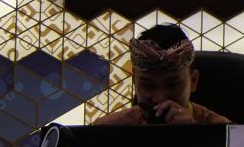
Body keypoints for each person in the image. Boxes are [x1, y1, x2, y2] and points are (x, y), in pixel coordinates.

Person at [95, 23, 231, 125]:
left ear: (193, 81)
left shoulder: (223, 132)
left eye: (172, 85)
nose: (159, 98)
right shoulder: (110, 129)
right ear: (134, 80)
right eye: (148, 85)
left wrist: (195, 138)